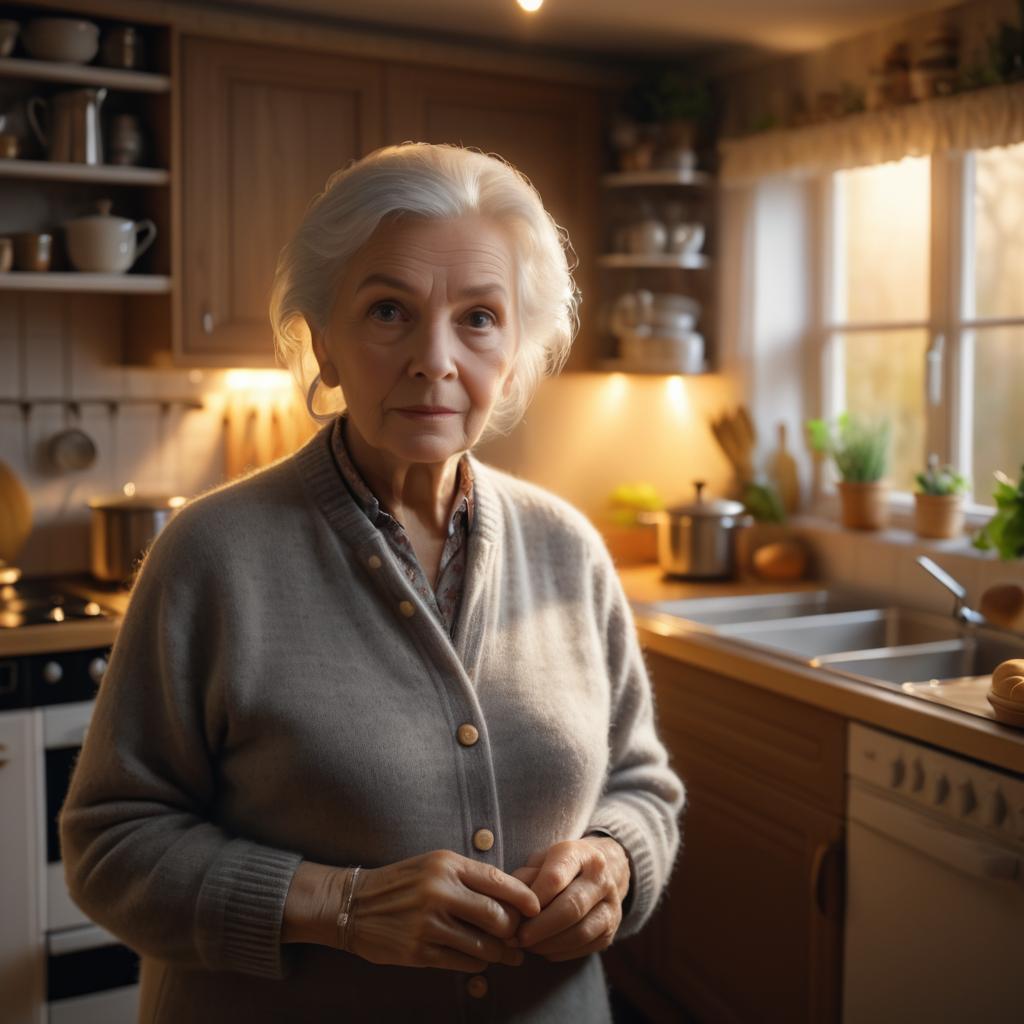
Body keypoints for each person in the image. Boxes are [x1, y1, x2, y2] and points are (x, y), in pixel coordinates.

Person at [60, 142, 685, 1023]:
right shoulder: (211, 555)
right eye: (389, 310)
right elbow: (110, 847)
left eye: (478, 317)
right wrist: (334, 905)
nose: (435, 357)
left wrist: (616, 861)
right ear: (324, 341)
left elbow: (642, 785)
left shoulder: (569, 550)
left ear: (515, 351)